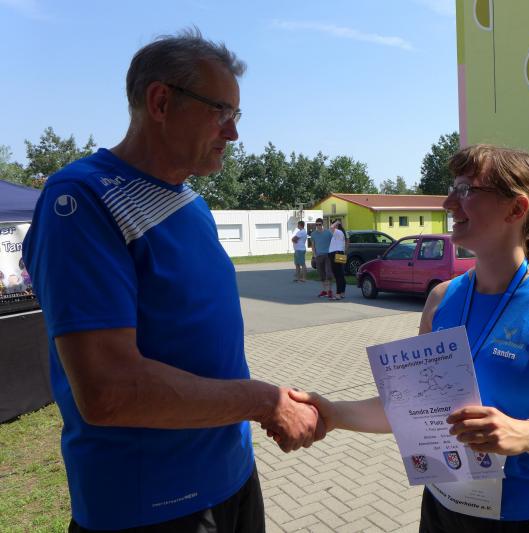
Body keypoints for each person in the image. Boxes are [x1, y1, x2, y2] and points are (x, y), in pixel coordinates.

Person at [21, 30, 323, 532]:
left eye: (237, 115)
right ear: (161, 101)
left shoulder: (190, 203)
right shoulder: (82, 199)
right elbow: (107, 390)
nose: (233, 133)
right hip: (153, 503)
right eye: (221, 112)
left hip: (231, 477)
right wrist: (263, 401)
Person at [290, 144, 529, 531]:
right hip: (444, 505)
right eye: (452, 189)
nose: (448, 203)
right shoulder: (441, 299)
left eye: (466, 190)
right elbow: (413, 407)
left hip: (528, 515)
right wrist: (333, 413)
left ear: (516, 208)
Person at [309, 218, 333, 298]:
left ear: (322, 224)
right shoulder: (313, 234)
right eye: (317, 225)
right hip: (318, 256)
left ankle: (329, 290)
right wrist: (314, 255)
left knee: (328, 273)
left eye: (319, 224)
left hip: (328, 255)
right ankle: (325, 291)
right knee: (321, 274)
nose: (318, 226)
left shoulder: (328, 233)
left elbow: (333, 242)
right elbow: (313, 245)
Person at [328, 219, 348, 300]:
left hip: (335, 254)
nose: (332, 225)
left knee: (337, 275)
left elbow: (331, 227)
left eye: (334, 224)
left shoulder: (338, 232)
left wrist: (337, 222)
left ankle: (338, 294)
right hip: (340, 253)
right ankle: (342, 292)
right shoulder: (341, 233)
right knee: (341, 274)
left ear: (337, 225)